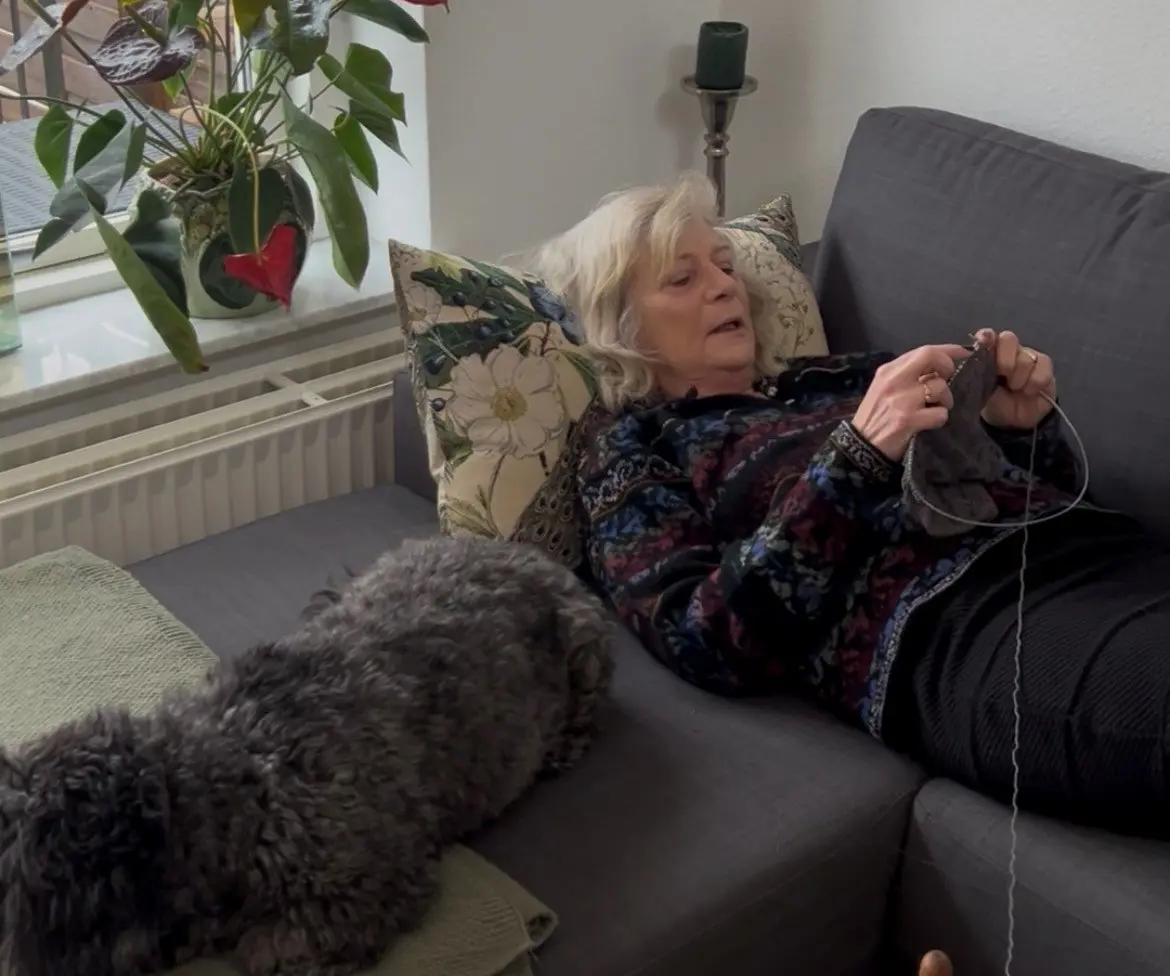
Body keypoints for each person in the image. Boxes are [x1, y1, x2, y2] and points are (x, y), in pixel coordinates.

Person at [531, 171, 1170, 839]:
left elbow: (1052, 490)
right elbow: (702, 640)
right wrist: (858, 456)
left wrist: (1017, 429)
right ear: (622, 326)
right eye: (682, 278)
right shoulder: (634, 448)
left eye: (724, 265)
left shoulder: (843, 376)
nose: (724, 285)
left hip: (1105, 557)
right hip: (968, 629)